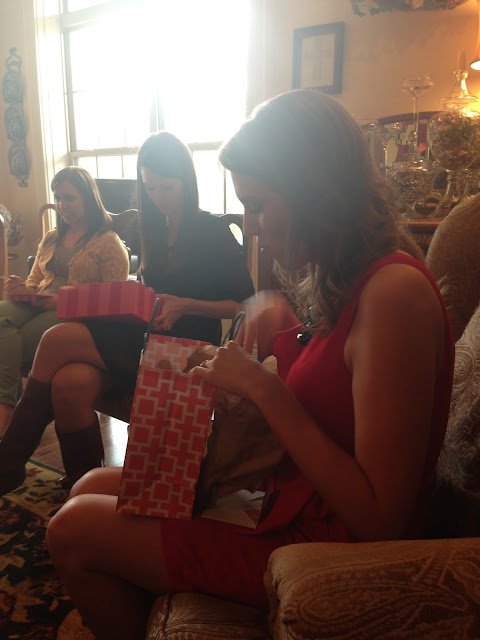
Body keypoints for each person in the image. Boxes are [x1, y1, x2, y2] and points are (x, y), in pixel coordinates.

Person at [45, 90, 454, 640]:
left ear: (319, 195)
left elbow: (382, 520)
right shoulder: (349, 277)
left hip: (317, 545)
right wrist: (273, 320)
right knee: (88, 485)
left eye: (257, 205)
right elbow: (336, 385)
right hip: (290, 500)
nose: (251, 225)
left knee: (72, 528)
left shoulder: (394, 296)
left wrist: (264, 388)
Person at [0, 131, 254, 494]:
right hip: (147, 335)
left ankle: (7, 462)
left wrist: (185, 304)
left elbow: (245, 304)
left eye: (167, 187)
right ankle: (82, 486)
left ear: (186, 181)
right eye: (150, 188)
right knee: (70, 382)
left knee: (57, 337)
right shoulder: (152, 228)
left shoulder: (212, 231)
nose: (159, 197)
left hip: (187, 349)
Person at [0, 166, 129, 434]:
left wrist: (59, 301)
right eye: (58, 198)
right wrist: (22, 289)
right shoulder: (51, 237)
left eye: (69, 198)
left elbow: (112, 302)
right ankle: (8, 411)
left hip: (73, 314)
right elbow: (35, 280)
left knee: (14, 341)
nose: (62, 205)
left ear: (88, 198)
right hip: (36, 303)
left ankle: (5, 412)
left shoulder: (109, 242)